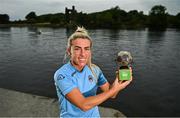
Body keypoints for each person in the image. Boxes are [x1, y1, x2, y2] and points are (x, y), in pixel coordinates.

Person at [54, 27, 133, 117]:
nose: (83, 54)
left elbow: (112, 94)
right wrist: (115, 88)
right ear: (69, 51)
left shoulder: (95, 70)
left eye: (86, 49)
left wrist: (118, 81)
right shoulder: (62, 74)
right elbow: (83, 105)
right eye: (77, 49)